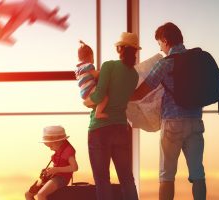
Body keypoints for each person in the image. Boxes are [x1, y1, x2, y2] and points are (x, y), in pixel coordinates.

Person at [130, 22, 207, 200]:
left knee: (166, 176)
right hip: (195, 121)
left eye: (159, 44)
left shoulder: (166, 63)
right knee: (198, 174)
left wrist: (121, 97)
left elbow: (143, 91)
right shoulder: (197, 61)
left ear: (165, 40)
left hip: (172, 123)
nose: (161, 49)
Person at [83, 32, 140, 200]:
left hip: (100, 129)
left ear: (120, 48)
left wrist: (87, 102)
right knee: (127, 178)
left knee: (102, 180)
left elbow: (99, 96)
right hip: (121, 128)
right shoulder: (134, 75)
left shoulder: (109, 66)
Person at [25, 125, 78, 200]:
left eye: (51, 146)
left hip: (62, 178)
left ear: (58, 141)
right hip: (53, 176)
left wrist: (56, 169)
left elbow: (74, 167)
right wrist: (50, 170)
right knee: (28, 194)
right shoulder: (58, 149)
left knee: (41, 194)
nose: (50, 149)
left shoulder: (68, 151)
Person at [75, 40, 109, 119]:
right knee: (105, 97)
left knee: (97, 100)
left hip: (84, 93)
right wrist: (103, 73)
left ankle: (96, 108)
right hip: (90, 90)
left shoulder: (78, 69)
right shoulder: (89, 66)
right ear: (90, 56)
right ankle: (98, 113)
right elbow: (97, 75)